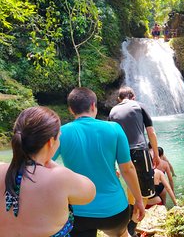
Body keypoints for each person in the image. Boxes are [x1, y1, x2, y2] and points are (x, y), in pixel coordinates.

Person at [53, 87, 145, 237]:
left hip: (79, 212)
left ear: (70, 109)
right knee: (122, 234)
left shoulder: (60, 133)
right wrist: (139, 201)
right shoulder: (114, 128)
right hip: (114, 210)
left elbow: (42, 165)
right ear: (93, 105)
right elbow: (127, 169)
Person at [0, 106, 96, 236]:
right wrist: (51, 163)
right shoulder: (59, 177)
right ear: (51, 142)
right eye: (59, 137)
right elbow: (90, 192)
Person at [109, 86, 161, 236]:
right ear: (133, 96)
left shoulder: (113, 111)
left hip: (121, 153)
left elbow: (112, 138)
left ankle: (130, 221)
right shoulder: (139, 105)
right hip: (139, 151)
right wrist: (156, 155)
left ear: (119, 99)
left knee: (131, 185)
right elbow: (151, 132)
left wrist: (112, 163)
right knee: (146, 191)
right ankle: (133, 224)